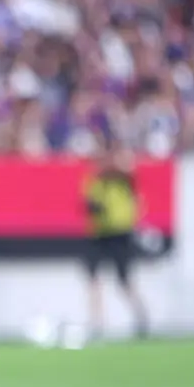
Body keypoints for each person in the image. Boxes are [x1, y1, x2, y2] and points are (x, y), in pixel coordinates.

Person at [82, 144, 150, 339]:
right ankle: (97, 323)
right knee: (93, 278)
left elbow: (134, 204)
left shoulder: (124, 182)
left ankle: (140, 316)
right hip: (99, 234)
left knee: (123, 280)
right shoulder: (96, 182)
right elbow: (89, 203)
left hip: (120, 234)